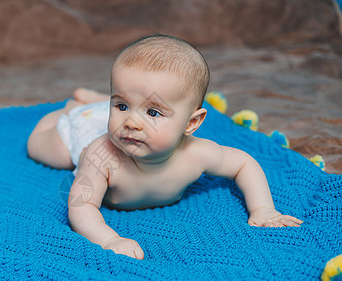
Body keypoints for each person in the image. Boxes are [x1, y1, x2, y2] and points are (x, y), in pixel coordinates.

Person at [27, 34, 303, 260]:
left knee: (118, 108)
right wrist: (109, 239)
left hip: (103, 114)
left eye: (154, 113)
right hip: (83, 129)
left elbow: (244, 163)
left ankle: (96, 101)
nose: (132, 123)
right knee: (42, 149)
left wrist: (263, 209)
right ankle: (70, 109)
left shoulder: (198, 154)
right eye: (121, 104)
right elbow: (82, 204)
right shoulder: (103, 157)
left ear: (191, 123)